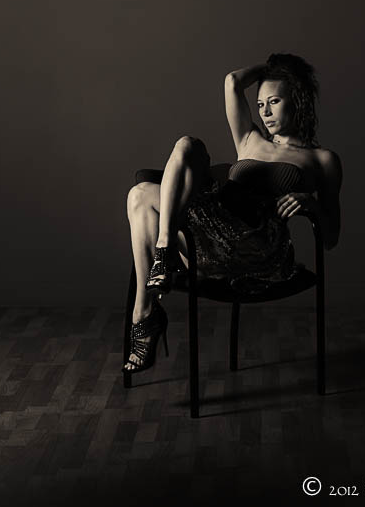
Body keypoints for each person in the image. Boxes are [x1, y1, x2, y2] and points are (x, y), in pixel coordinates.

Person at [123, 53, 343, 374]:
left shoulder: (322, 160)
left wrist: (310, 204)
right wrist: (271, 69)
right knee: (163, 169)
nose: (265, 112)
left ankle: (147, 308)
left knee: (143, 193)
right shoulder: (249, 138)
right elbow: (233, 81)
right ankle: (151, 292)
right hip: (211, 235)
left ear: (297, 99)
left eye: (274, 101)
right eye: (260, 104)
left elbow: (331, 238)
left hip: (258, 250)